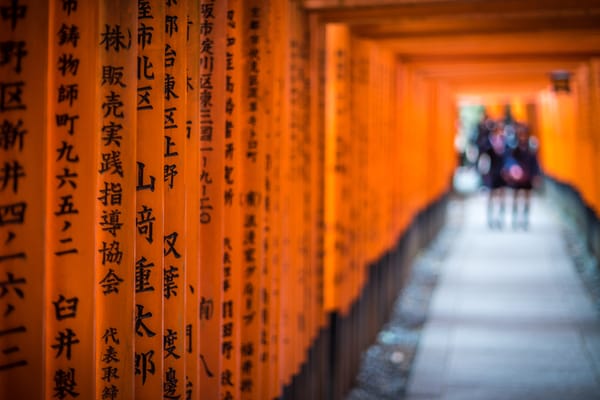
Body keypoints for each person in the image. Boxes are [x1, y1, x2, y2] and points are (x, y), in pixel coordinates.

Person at [505, 124, 541, 229]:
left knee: (527, 197)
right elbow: (509, 160)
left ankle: (525, 218)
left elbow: (535, 162)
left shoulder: (531, 148)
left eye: (524, 135)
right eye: (521, 134)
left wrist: (536, 175)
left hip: (528, 175)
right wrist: (512, 170)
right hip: (517, 175)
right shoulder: (514, 148)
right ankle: (515, 217)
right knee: (516, 197)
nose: (522, 137)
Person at [478, 121, 508, 229]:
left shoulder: (505, 142)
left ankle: (500, 217)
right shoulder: (487, 142)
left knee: (501, 195)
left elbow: (508, 156)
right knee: (491, 195)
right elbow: (482, 152)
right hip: (491, 172)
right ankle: (490, 218)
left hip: (501, 171)